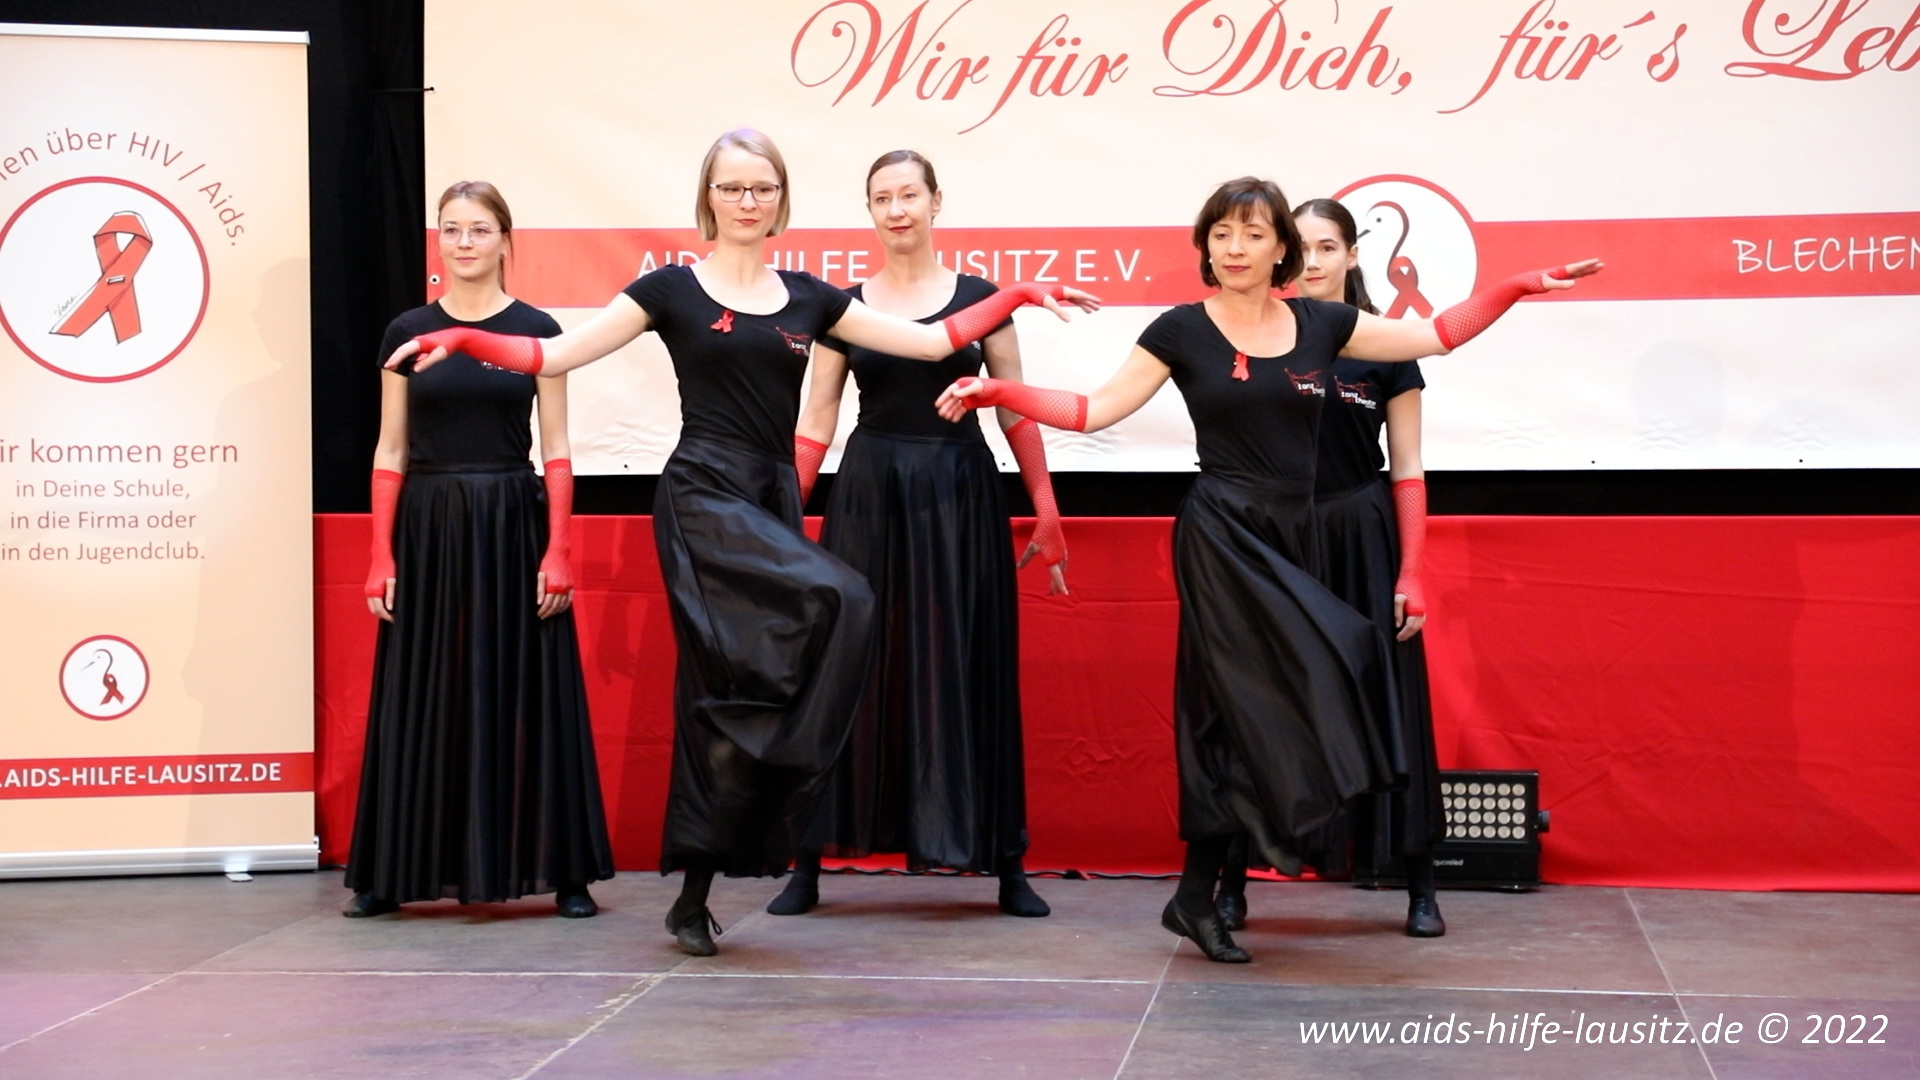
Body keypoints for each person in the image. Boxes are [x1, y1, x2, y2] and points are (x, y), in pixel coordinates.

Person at [387, 131, 1098, 955]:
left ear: (781, 200)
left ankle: (697, 894)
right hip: (703, 498)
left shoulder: (811, 300)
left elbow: (936, 341)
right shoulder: (669, 289)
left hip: (769, 499)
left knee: (750, 694)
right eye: (731, 187)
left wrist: (1018, 295)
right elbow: (553, 353)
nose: (747, 201)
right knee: (841, 599)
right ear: (710, 199)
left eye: (762, 187)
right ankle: (772, 828)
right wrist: (467, 339)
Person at [936, 176, 1599, 962]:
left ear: (1281, 246)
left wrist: (1515, 287)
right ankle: (1214, 887)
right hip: (1222, 538)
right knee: (1232, 714)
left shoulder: (1325, 324)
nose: (1235, 248)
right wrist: (1000, 390)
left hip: (1295, 539)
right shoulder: (1180, 329)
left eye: (1252, 234)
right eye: (1221, 233)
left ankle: (1196, 896)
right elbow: (1094, 409)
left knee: (1308, 688)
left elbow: (1435, 337)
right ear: (1205, 246)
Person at [767, 150, 1062, 920]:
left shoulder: (983, 299)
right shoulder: (841, 307)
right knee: (847, 667)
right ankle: (808, 862)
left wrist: (1045, 506)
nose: (896, 210)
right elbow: (816, 421)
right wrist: (783, 524)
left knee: (971, 662)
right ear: (869, 211)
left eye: (908, 195)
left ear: (936, 202)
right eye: (882, 198)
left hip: (960, 494)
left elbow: (1017, 408)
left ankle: (1007, 863)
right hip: (870, 494)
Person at [347, 180, 613, 919]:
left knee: (533, 692)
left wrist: (559, 549)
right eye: (452, 229)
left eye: (479, 229)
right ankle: (389, 874)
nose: (464, 242)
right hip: (428, 526)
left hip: (512, 519)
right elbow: (390, 449)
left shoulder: (536, 329)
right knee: (420, 690)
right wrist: (380, 554)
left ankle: (565, 873)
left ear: (504, 240)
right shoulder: (407, 330)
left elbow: (556, 449)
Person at [1211, 197, 1447, 938]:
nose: (1311, 261)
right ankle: (1230, 879)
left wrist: (1412, 571)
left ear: (1352, 255)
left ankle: (1419, 882)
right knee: (1260, 702)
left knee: (1388, 700)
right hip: (1276, 540)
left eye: (1327, 247)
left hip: (1361, 534)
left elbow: (1407, 468)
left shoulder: (1387, 346)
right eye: (1302, 248)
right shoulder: (1265, 336)